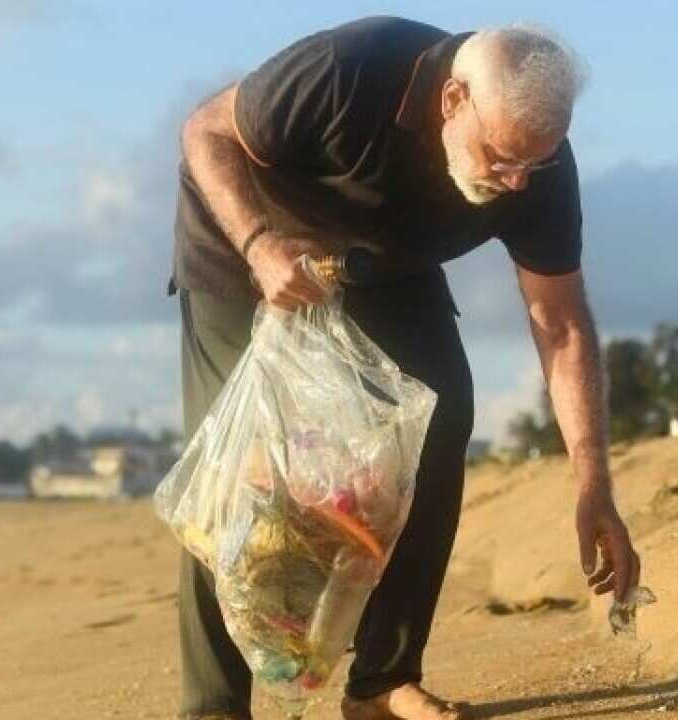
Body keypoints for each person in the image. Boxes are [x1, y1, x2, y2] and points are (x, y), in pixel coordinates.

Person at [169, 15, 640, 720]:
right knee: (237, 473)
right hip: (244, 249)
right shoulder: (349, 69)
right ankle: (212, 706)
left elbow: (562, 324)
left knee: (440, 417)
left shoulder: (536, 169)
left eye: (533, 164)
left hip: (384, 264)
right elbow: (205, 130)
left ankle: (382, 684)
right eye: (500, 156)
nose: (515, 183)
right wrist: (261, 244)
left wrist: (593, 484)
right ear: (454, 100)